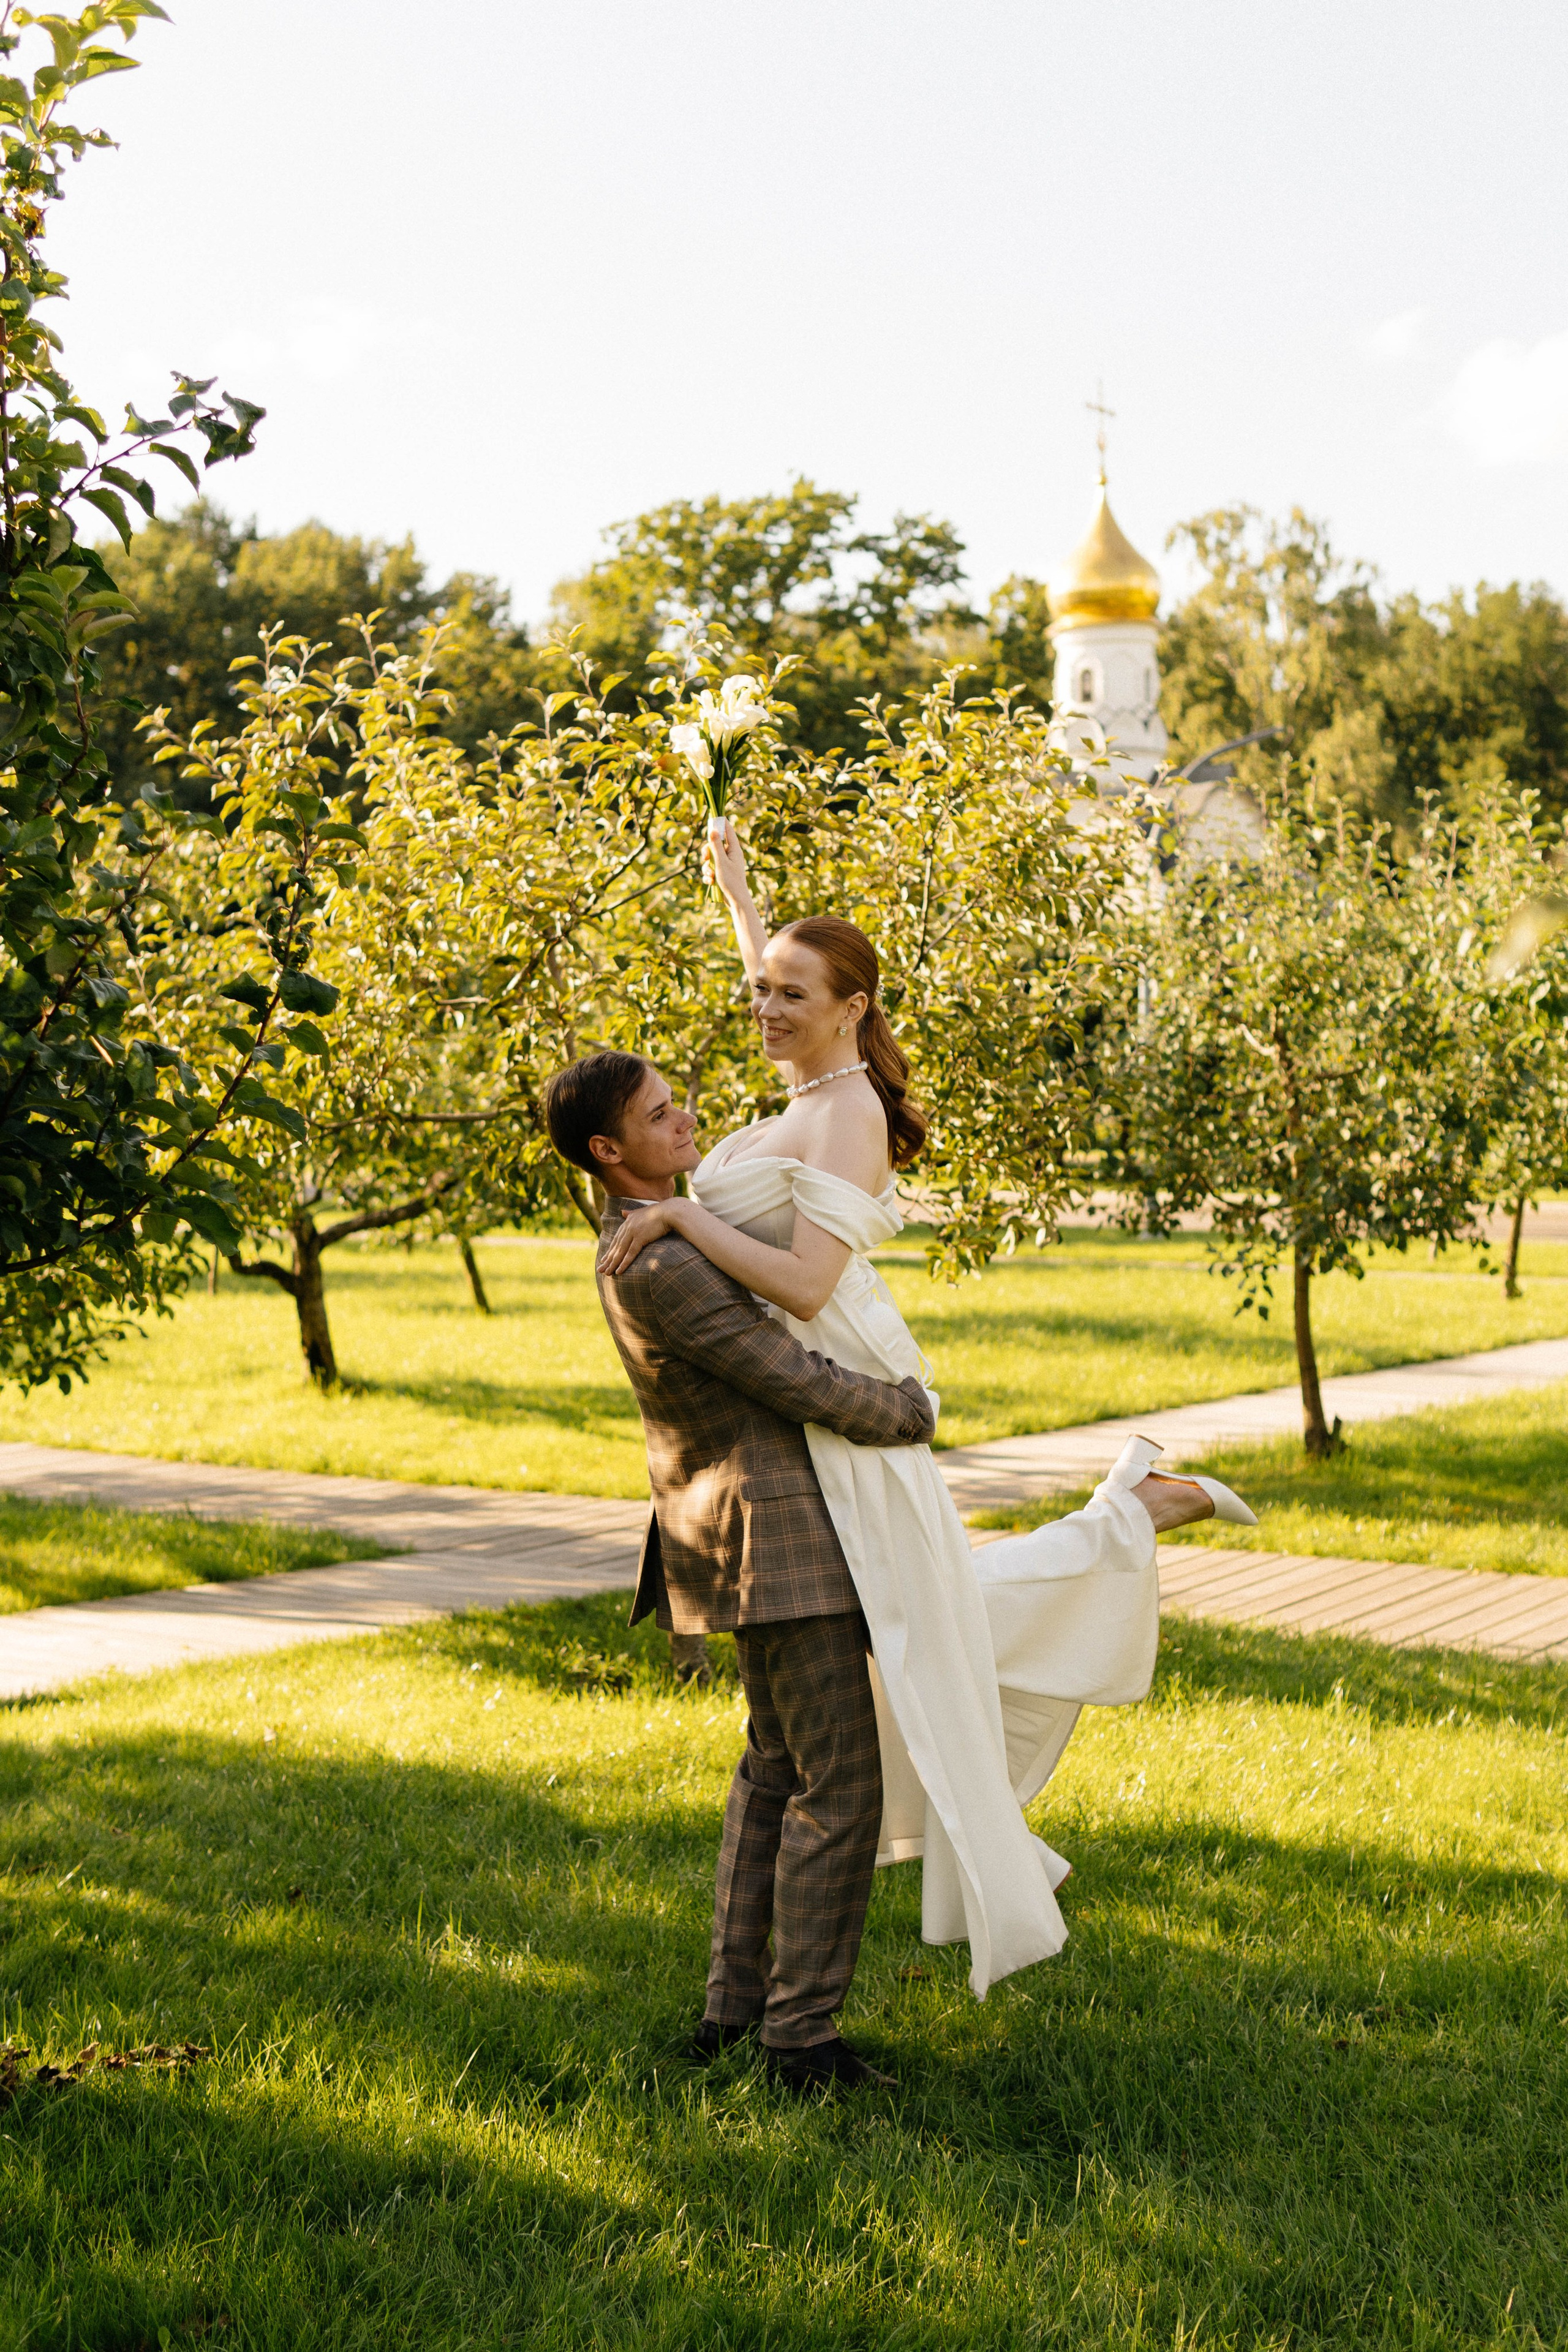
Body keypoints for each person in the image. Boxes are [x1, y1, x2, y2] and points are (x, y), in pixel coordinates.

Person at [594, 818, 1259, 2007]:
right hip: (807, 1425)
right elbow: (791, 1013)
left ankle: (1127, 1519)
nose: (763, 1008)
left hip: (849, 1395)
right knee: (938, 1620)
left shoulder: (846, 1113)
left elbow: (805, 1287)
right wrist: (740, 900)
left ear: (851, 1009)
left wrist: (686, 1214)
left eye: (789, 994)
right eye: (761, 989)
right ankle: (1128, 1515)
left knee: (936, 1626)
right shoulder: (809, 1084)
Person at [545, 1047, 939, 2094]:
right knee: (837, 1785)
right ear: (608, 1149)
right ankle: (799, 2043)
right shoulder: (659, 1263)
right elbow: (789, 1375)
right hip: (777, 1540)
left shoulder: (653, 1233)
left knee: (774, 1770)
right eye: (660, 1115)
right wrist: (905, 1409)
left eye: (676, 1104)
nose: (686, 1121)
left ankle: (734, 2014)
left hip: (747, 1532)